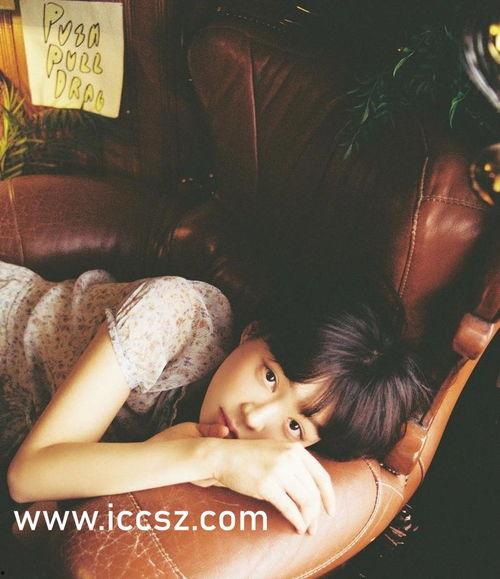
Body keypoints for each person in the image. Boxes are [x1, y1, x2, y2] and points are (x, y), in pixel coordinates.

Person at [0, 259, 431, 535]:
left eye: (294, 426)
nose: (254, 418)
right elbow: (28, 477)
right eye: (270, 377)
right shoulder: (175, 311)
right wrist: (208, 457)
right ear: (255, 331)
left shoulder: (225, 433)